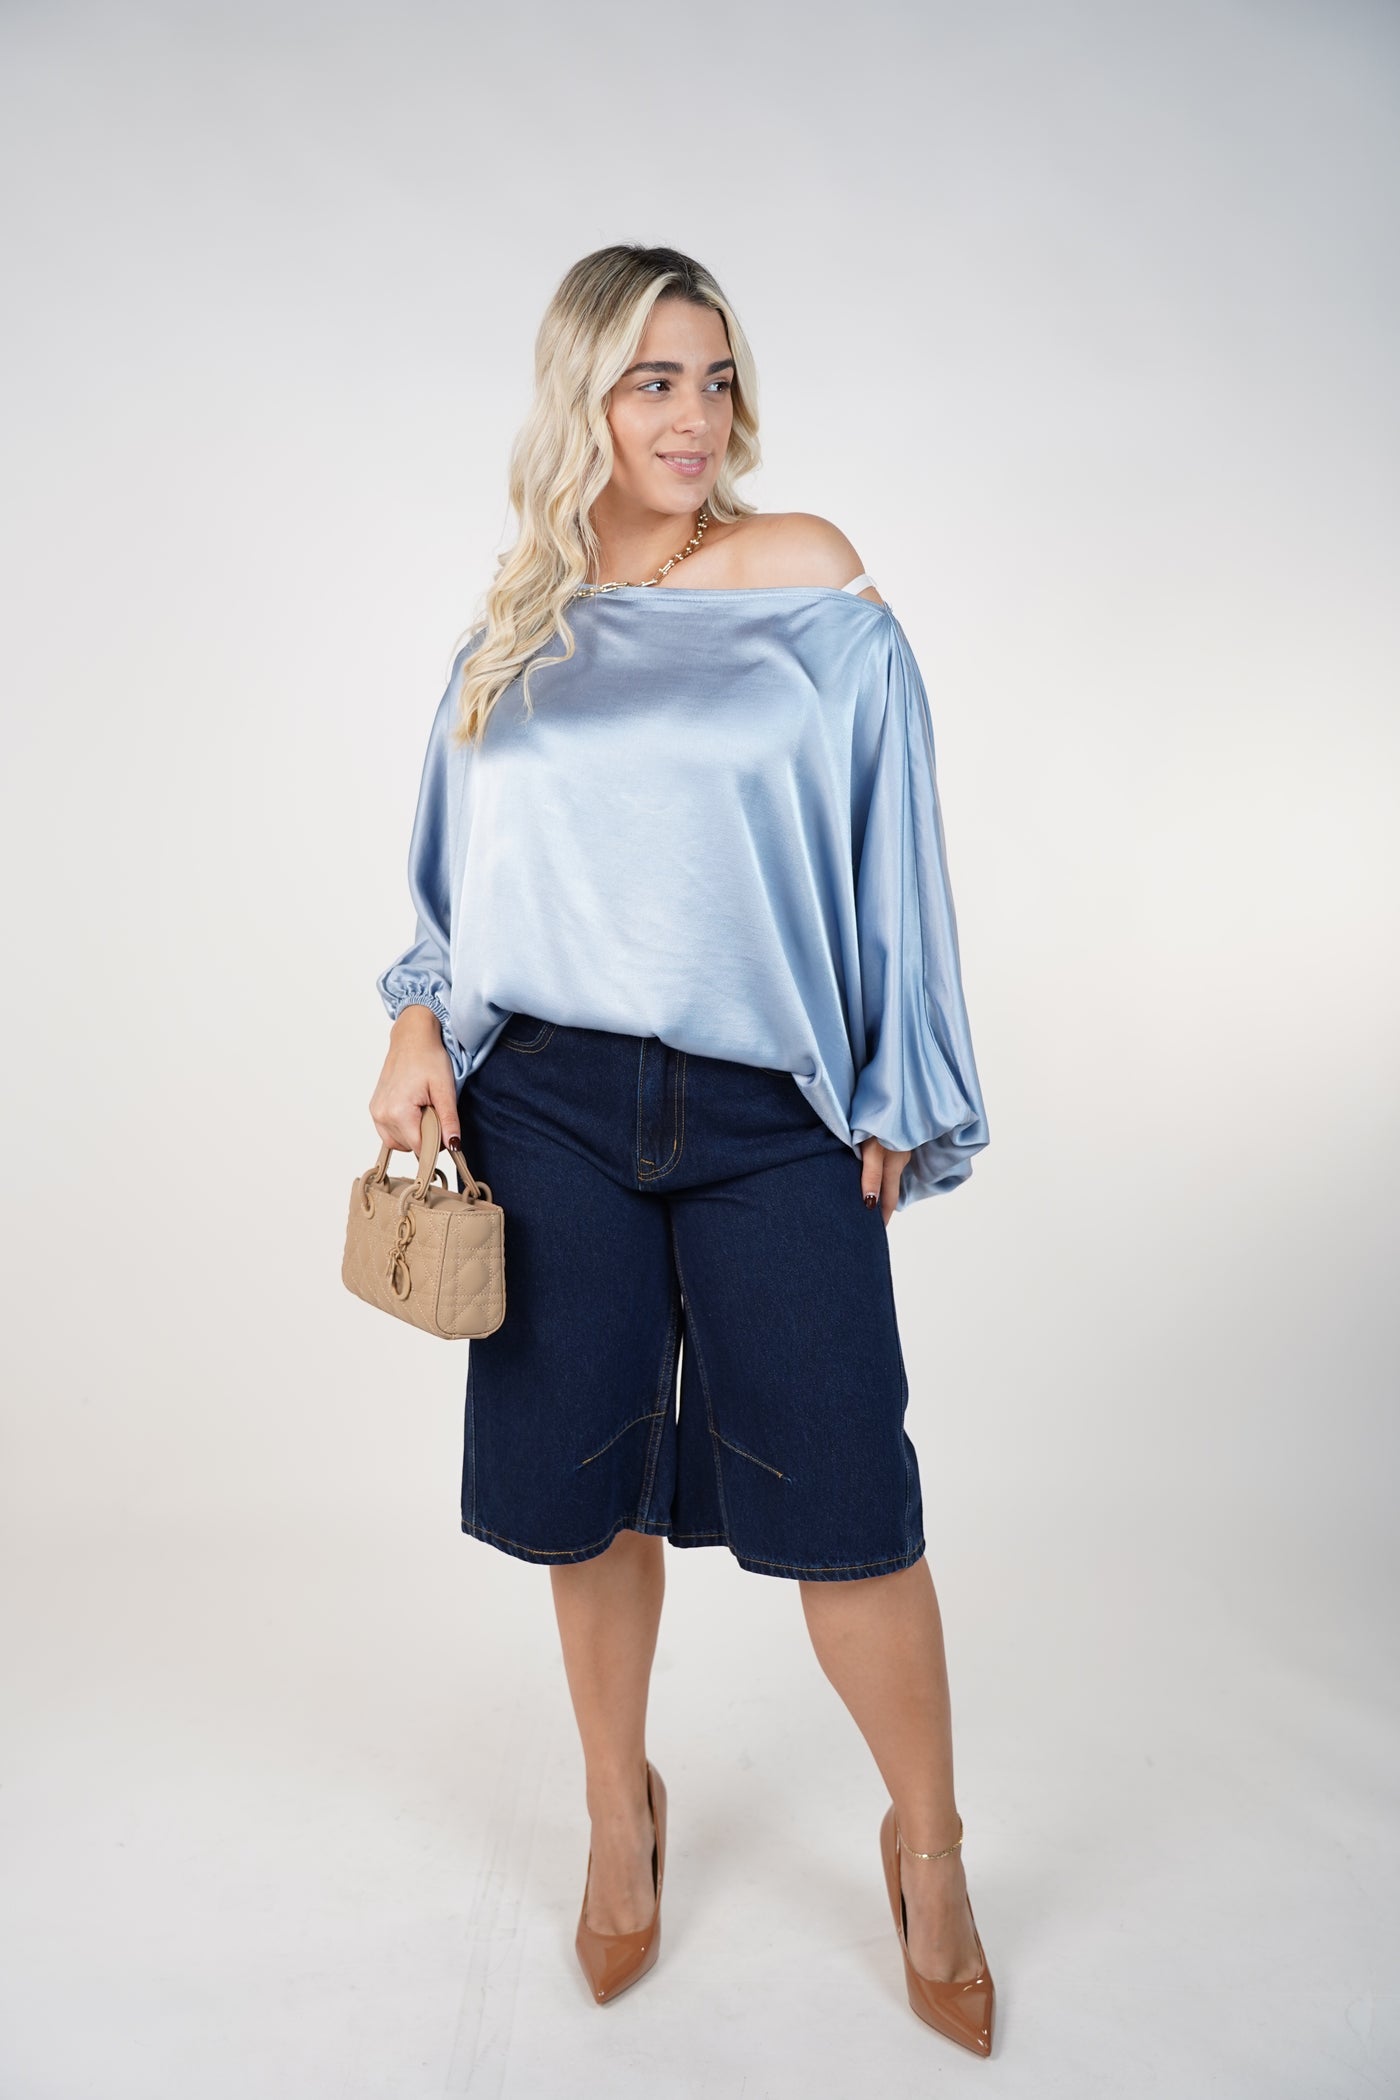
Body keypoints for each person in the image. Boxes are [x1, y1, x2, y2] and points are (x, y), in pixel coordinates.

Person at [367, 244, 996, 2054]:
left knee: (849, 1511)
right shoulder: (517, 627)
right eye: (654, 379)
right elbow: (454, 886)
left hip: (765, 1110)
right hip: (548, 1102)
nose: (693, 416)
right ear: (584, 393)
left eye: (715, 378)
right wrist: (414, 1022)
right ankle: (616, 1812)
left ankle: (930, 1848)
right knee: (587, 1498)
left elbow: (894, 841)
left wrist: (897, 1083)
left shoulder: (804, 580)